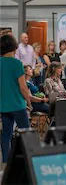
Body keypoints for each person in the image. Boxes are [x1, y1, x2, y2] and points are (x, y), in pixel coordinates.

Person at [0, 34, 32, 163]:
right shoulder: (17, 64)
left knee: (6, 134)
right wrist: (29, 101)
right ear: (14, 47)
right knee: (27, 134)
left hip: (3, 105)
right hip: (17, 105)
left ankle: (6, 162)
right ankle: (29, 159)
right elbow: (23, 87)